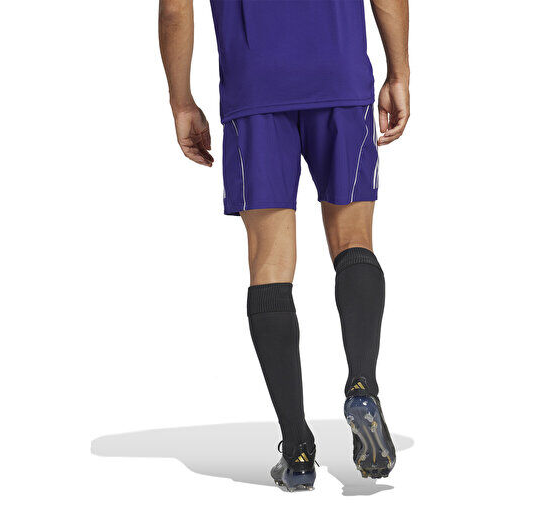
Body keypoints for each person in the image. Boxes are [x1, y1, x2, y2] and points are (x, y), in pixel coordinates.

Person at [159, 0, 409, 491]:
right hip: (339, 74)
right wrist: (398, 72)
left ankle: (297, 448)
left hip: (255, 87)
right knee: (354, 239)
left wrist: (181, 101)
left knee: (269, 260)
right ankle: (362, 385)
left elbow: (174, 10)